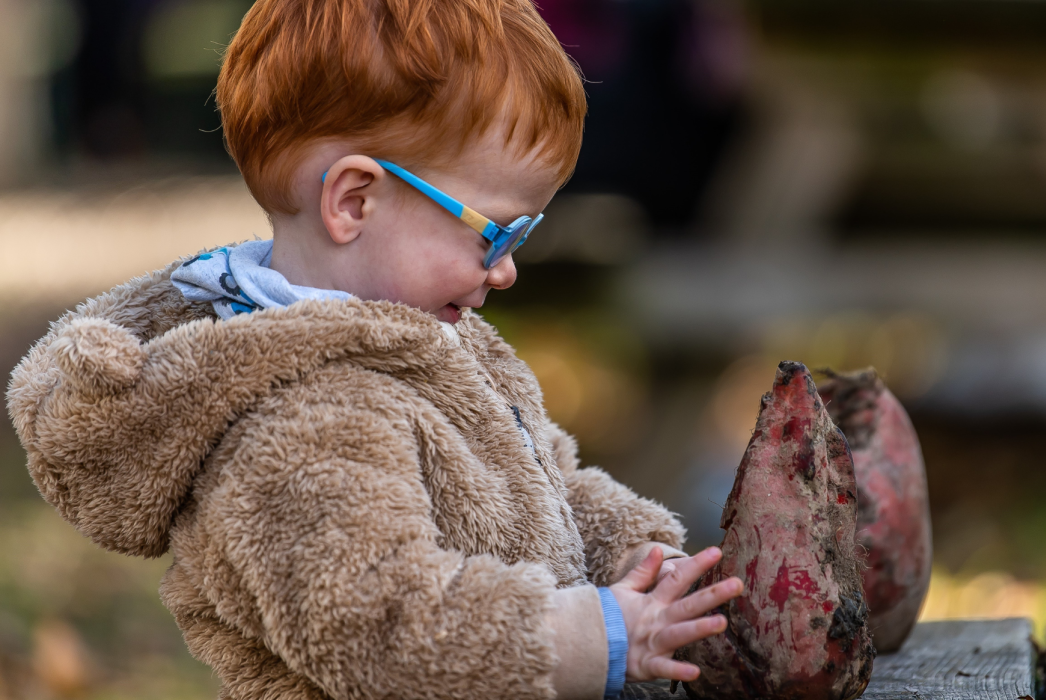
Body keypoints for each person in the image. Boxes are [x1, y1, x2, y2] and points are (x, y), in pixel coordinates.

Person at [6, 1, 744, 698]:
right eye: (497, 233)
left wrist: (641, 563)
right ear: (354, 200)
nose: (509, 268)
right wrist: (599, 637)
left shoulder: (426, 338)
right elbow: (381, 631)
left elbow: (548, 483)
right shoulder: (298, 416)